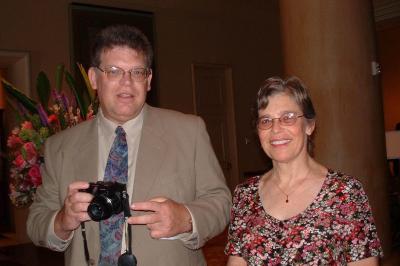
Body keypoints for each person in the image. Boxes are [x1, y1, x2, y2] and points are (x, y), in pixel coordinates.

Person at [27, 24, 231, 266]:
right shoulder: (59, 146)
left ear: (149, 80)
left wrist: (186, 219)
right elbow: (36, 221)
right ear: (94, 78)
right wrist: (62, 220)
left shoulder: (189, 131)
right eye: (114, 71)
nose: (127, 83)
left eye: (137, 72)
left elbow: (220, 201)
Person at [225, 76, 383, 265]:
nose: (275, 128)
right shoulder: (245, 195)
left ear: (309, 125)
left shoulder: (345, 193)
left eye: (288, 117)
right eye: (266, 120)